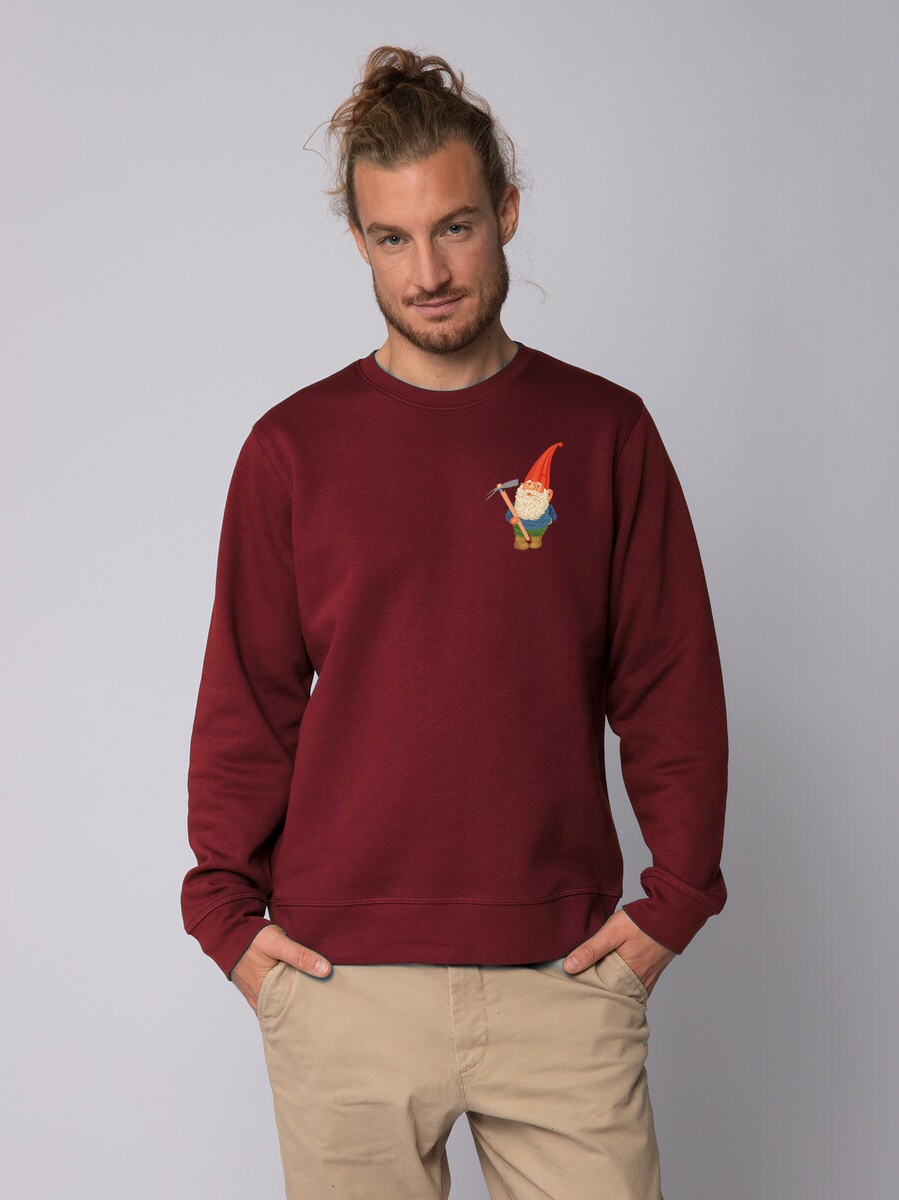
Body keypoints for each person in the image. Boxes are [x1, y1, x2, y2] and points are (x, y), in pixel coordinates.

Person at [181, 45, 728, 1200]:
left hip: (561, 982)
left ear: (507, 213)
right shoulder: (293, 451)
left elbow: (668, 681)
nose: (428, 272)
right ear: (360, 241)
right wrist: (226, 917)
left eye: (456, 229)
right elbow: (248, 702)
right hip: (342, 990)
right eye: (393, 238)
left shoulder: (607, 433)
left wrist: (675, 900)